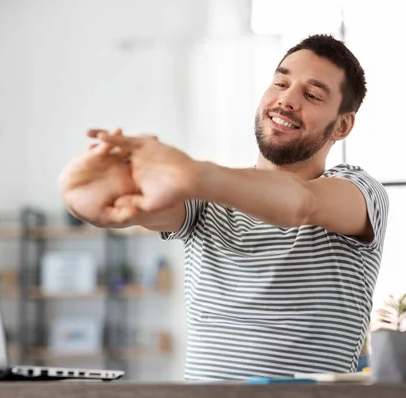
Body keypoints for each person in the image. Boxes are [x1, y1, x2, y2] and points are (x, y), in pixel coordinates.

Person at [59, 34, 389, 380]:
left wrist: (189, 173)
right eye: (280, 82)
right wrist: (89, 197)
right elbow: (139, 208)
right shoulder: (207, 194)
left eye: (312, 95)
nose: (286, 100)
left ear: (342, 125)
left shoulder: (360, 191)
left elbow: (300, 204)